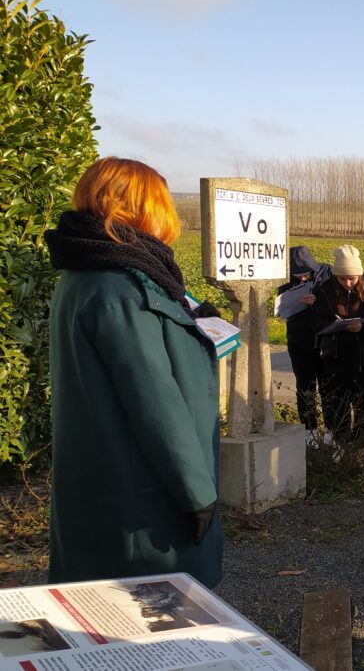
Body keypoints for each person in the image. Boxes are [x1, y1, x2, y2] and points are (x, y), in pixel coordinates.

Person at [44, 157, 223, 586]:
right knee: (154, 616)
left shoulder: (84, 275)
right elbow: (153, 399)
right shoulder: (121, 288)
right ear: (141, 207)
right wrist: (197, 493)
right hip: (145, 502)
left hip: (108, 483)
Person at [310, 246, 364, 445]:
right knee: (337, 404)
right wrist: (333, 326)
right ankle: (340, 443)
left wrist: (363, 326)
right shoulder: (324, 291)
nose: (348, 283)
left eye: (352, 278)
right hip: (336, 355)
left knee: (363, 404)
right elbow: (315, 323)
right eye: (342, 279)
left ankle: (361, 444)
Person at [277, 246, 330, 432]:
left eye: (306, 274)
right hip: (299, 339)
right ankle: (309, 430)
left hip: (324, 340)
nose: (302, 278)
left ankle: (331, 430)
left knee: (328, 388)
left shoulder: (326, 274)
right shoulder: (284, 282)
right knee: (305, 388)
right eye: (298, 275)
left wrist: (318, 302)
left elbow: (335, 303)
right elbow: (283, 306)